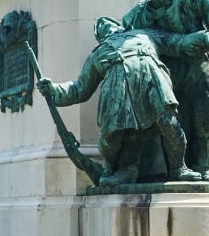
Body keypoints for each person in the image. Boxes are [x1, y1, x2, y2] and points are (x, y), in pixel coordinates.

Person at [36, 16, 206, 186]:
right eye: (99, 26)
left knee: (170, 124)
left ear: (119, 25)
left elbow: (177, 41)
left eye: (107, 22)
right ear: (99, 35)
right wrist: (53, 88)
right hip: (118, 92)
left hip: (152, 82)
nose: (103, 25)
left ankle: (179, 168)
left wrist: (203, 37)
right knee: (112, 139)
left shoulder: (143, 34)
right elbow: (79, 88)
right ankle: (119, 170)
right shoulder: (97, 53)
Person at [123, 0, 209, 179]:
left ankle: (203, 165)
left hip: (197, 67)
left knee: (204, 118)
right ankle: (175, 169)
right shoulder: (141, 13)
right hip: (167, 74)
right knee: (172, 123)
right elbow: (121, 32)